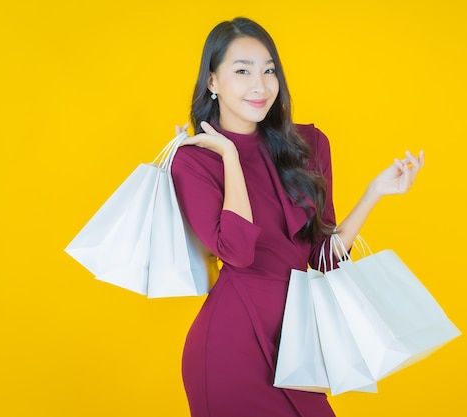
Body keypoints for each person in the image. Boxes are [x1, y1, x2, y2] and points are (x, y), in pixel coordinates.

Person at [171, 17, 424, 417]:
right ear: (212, 82)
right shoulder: (193, 161)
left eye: (269, 70)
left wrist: (374, 193)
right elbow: (235, 252)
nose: (260, 85)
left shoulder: (308, 144)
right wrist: (231, 157)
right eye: (242, 71)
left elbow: (323, 258)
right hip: (230, 342)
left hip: (297, 341)